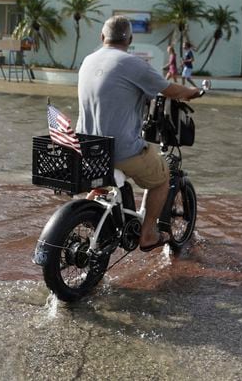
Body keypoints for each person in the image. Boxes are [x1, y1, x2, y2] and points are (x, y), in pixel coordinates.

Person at [78, 15, 200, 252]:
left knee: (103, 179)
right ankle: (147, 234)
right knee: (162, 177)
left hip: (87, 146)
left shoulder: (88, 60)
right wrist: (192, 92)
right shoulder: (132, 64)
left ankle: (88, 212)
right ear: (130, 39)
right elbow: (171, 90)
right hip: (120, 149)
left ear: (102, 37)